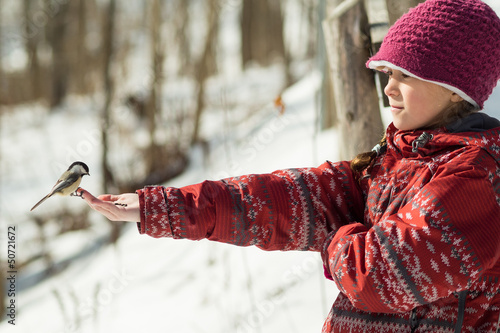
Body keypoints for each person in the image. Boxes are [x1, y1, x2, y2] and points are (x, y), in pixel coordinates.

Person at [80, 0, 500, 331]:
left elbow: (378, 276)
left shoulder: (478, 179)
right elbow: (278, 200)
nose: (388, 86)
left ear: (453, 89)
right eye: (387, 71)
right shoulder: (398, 159)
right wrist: (161, 206)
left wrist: (337, 235)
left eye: (407, 75)